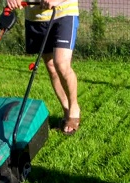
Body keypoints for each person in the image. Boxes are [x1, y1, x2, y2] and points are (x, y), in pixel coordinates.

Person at [6, 0, 81, 135]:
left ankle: (74, 107)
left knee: (61, 64)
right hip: (35, 18)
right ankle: (66, 110)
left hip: (63, 12)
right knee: (51, 66)